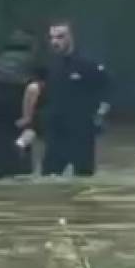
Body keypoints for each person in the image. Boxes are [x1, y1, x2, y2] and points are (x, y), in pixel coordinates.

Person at [39, 22, 111, 178]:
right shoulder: (51, 66)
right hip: (56, 133)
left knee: (83, 179)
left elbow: (106, 90)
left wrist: (100, 114)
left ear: (70, 37)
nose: (55, 42)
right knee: (49, 176)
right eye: (52, 38)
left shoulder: (87, 64)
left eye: (60, 37)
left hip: (81, 132)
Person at [0, 29, 42, 180]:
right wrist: (27, 117)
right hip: (13, 99)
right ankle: (19, 149)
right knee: (36, 125)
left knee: (0, 142)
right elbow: (33, 89)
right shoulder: (31, 61)